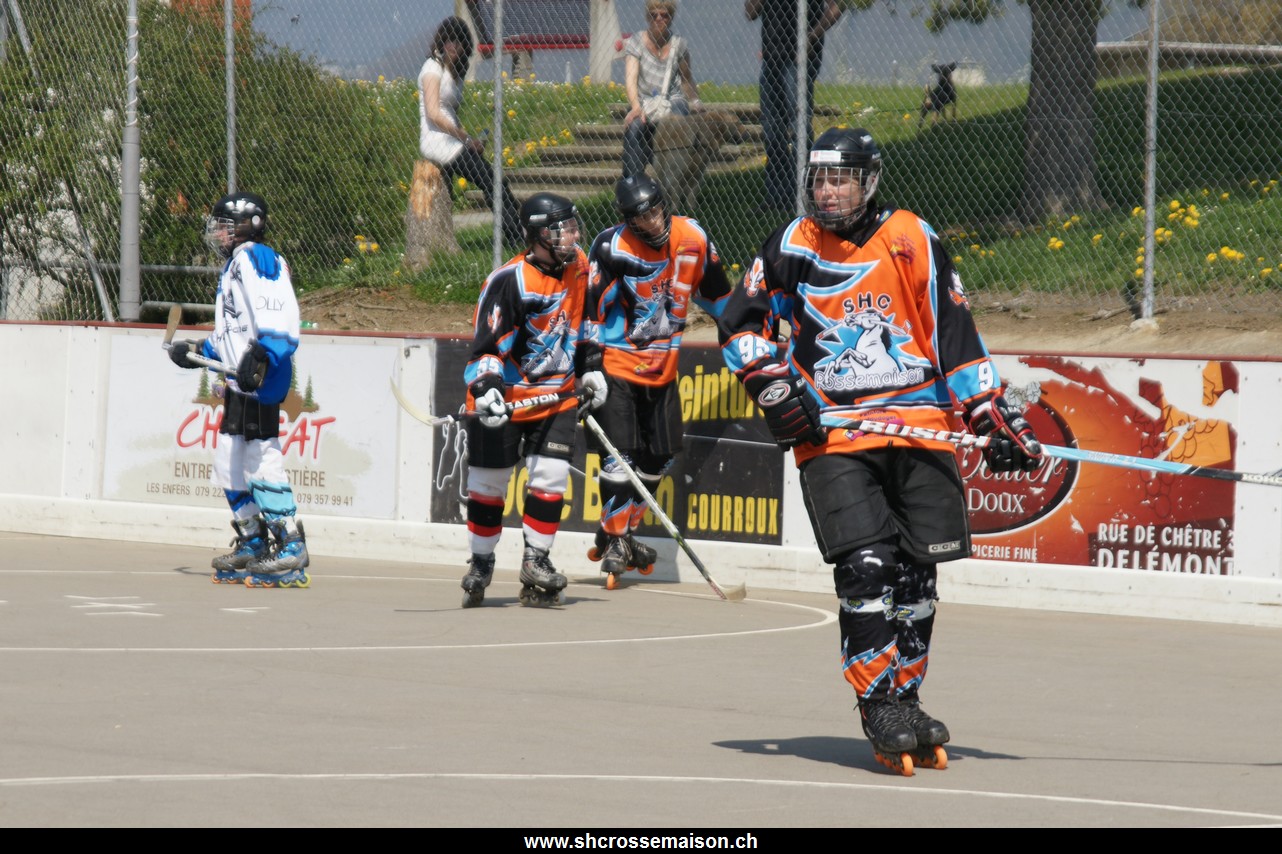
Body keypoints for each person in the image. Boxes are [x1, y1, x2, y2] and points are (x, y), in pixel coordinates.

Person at [717, 128, 1045, 773]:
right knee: (866, 565)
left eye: (840, 179)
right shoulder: (791, 244)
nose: (827, 191)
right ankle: (876, 701)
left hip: (921, 426)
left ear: (868, 182)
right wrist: (771, 383)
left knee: (919, 573)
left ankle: (906, 696)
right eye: (819, 179)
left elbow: (952, 331)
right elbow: (739, 325)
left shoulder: (911, 236)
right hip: (834, 435)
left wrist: (987, 410)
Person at [459, 192, 608, 608]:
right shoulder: (509, 281)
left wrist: (591, 367)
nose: (573, 236)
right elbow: (487, 347)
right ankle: (481, 562)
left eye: (574, 227)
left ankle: (535, 561)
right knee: (487, 485)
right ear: (540, 235)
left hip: (555, 396)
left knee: (551, 478)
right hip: (505, 398)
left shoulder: (579, 266)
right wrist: (487, 389)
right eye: (564, 229)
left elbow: (587, 321)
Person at [584, 175, 731, 589]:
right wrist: (588, 363)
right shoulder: (611, 246)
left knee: (661, 456)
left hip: (663, 367)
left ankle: (618, 529)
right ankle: (617, 540)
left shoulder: (693, 237)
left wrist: (746, 331)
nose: (650, 222)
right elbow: (591, 309)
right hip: (617, 365)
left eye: (655, 211)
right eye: (639, 218)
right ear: (627, 221)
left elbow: (719, 296)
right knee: (620, 458)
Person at [168, 191, 310, 589]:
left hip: (261, 377)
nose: (218, 233)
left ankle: (290, 544)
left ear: (251, 225)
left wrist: (264, 354)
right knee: (228, 460)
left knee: (260, 456)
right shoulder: (234, 266)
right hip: (238, 378)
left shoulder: (257, 257)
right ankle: (252, 539)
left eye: (225, 226)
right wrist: (197, 351)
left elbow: (279, 311)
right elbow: (231, 331)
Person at [418, 16, 523, 246]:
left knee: (495, 180)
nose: (454, 46)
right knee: (490, 180)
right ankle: (515, 237)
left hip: (452, 140)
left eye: (459, 41)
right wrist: (465, 138)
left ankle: (516, 231)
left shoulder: (455, 73)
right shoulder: (432, 68)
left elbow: (451, 115)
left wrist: (470, 141)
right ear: (441, 42)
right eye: (449, 40)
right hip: (436, 140)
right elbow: (433, 113)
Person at [745, 0, 843, 214]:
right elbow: (750, 13)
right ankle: (777, 196)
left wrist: (811, 36)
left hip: (800, 59)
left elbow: (836, 7)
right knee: (772, 130)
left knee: (799, 128)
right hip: (771, 58)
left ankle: (806, 195)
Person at [622, 0, 703, 179]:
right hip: (645, 100)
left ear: (671, 17)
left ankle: (675, 177)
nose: (658, 19)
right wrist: (635, 106)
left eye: (664, 15)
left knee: (677, 120)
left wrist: (696, 102)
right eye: (654, 15)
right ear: (647, 17)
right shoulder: (636, 42)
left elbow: (686, 80)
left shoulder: (679, 44)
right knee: (634, 127)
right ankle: (633, 182)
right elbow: (631, 79)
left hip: (672, 99)